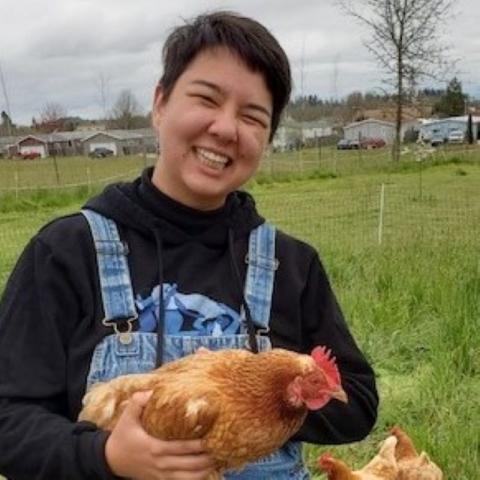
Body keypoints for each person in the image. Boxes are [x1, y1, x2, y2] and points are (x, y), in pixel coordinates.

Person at [0, 10, 378, 480]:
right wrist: (104, 457)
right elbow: (9, 420)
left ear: (267, 137)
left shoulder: (290, 265)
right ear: (160, 104)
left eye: (252, 116)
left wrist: (269, 395)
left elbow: (358, 402)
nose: (225, 128)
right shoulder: (66, 252)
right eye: (207, 98)